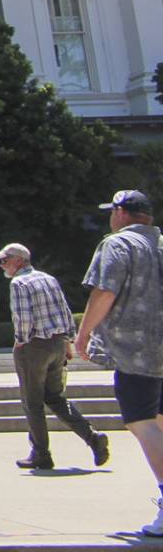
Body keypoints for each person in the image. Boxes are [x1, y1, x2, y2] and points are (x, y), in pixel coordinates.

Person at [74, 190, 163, 537]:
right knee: (158, 422)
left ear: (121, 213)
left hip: (136, 351)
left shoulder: (117, 245)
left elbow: (105, 290)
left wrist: (83, 334)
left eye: (112, 213)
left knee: (141, 422)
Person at [0, 241, 107, 472]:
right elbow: (65, 310)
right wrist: (68, 340)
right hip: (56, 344)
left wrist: (21, 342)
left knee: (32, 402)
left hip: (33, 347)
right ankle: (92, 436)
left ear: (19, 260)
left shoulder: (19, 283)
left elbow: (23, 319)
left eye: (5, 260)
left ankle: (41, 454)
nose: (2, 265)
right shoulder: (48, 279)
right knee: (56, 398)